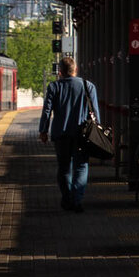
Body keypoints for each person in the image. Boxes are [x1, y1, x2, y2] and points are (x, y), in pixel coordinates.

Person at [38, 56, 100, 213]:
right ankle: (76, 200)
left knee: (64, 168)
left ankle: (67, 198)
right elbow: (95, 114)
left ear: (60, 72)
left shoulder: (54, 87)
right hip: (83, 136)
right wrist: (97, 132)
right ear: (76, 70)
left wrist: (43, 130)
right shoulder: (88, 86)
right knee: (81, 167)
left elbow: (47, 111)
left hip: (61, 134)